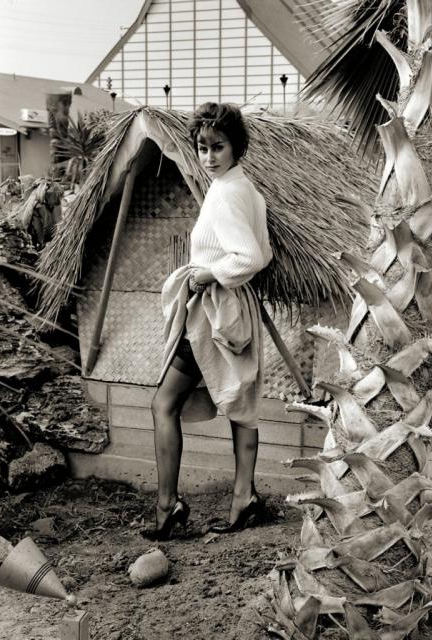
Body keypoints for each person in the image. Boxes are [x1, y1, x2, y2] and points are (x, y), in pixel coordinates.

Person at [142, 102, 273, 541]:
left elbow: (249, 257)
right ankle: (244, 497)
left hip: (212, 313)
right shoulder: (246, 190)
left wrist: (207, 274)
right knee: (240, 403)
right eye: (202, 147)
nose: (209, 156)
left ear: (236, 146)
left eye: (218, 146)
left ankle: (168, 505)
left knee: (163, 403)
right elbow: (265, 254)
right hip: (236, 309)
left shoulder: (226, 194)